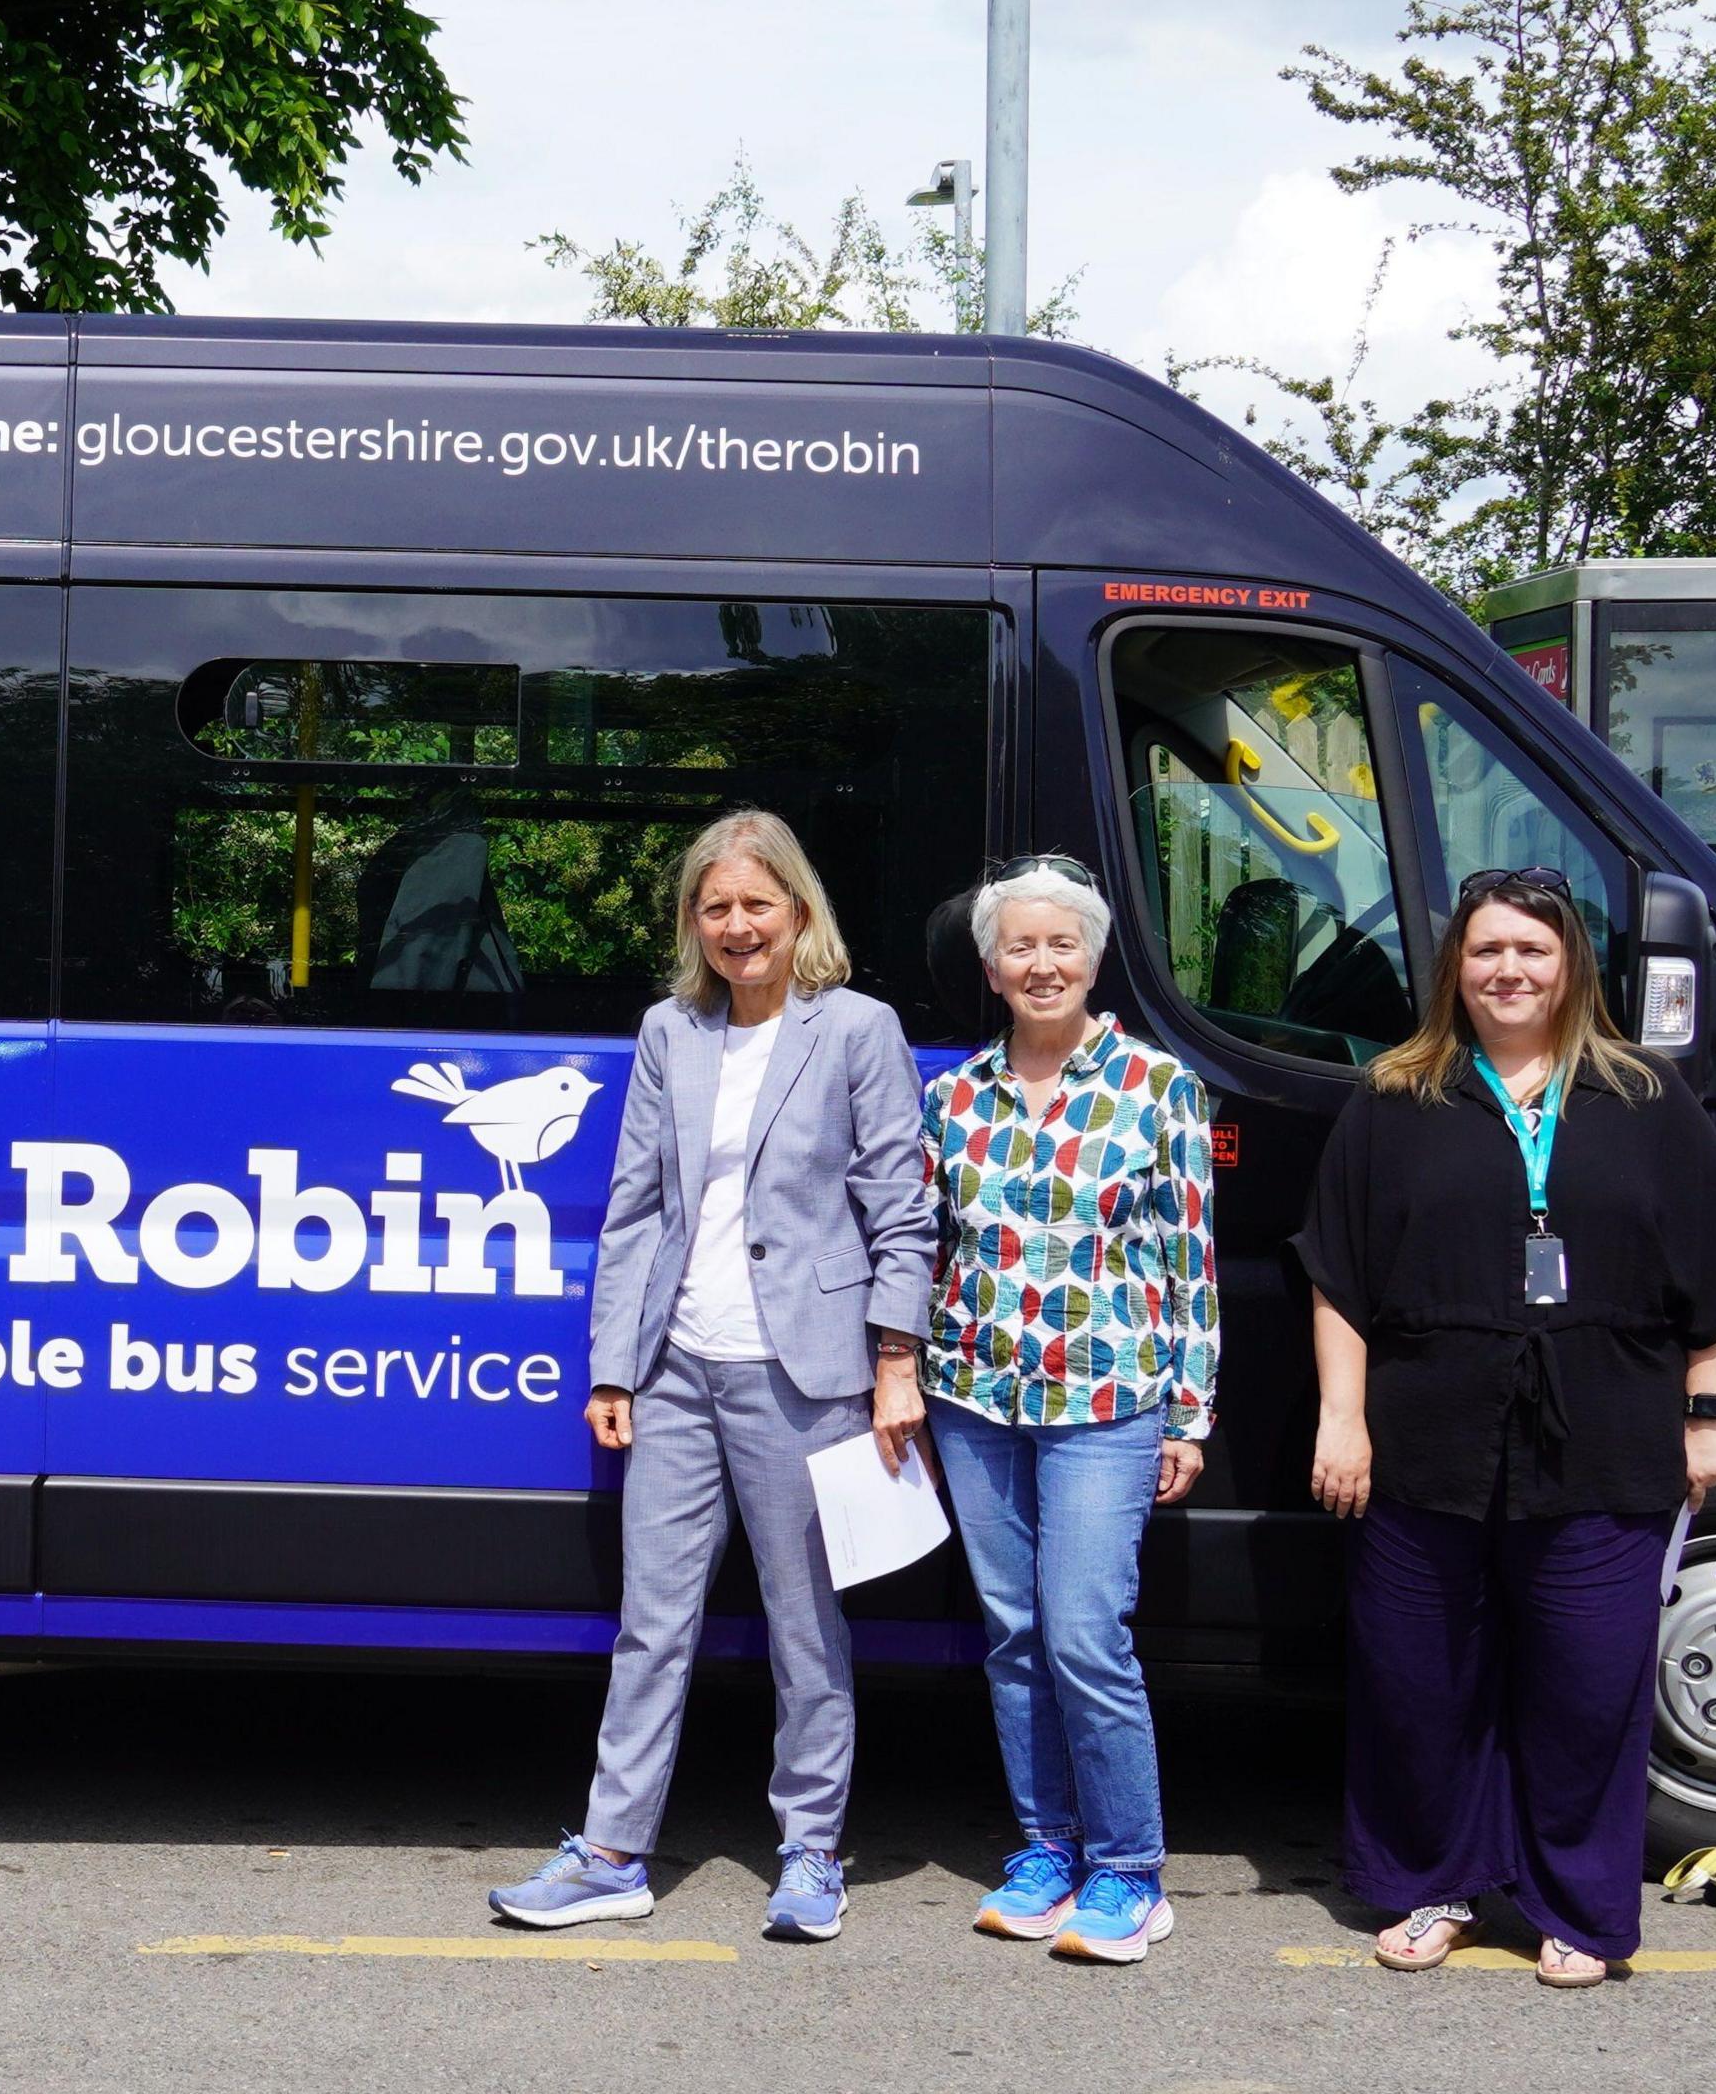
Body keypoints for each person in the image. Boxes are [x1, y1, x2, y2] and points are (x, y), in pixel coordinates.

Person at [1296, 866, 1716, 1990]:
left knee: (1587, 1684)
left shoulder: (1648, 1100)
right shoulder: (1393, 1098)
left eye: (1532, 950)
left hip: (1607, 1435)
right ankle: (1433, 1881)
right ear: (1455, 967)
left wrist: (1708, 1417)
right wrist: (1342, 1419)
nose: (1508, 970)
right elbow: (1337, 1279)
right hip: (1426, 1439)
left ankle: (1575, 1904)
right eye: (1486, 950)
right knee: (1420, 1680)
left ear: (1571, 969)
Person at [487, 809, 936, 1942]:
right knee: (652, 1620)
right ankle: (611, 1853)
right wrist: (616, 1365)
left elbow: (902, 1207)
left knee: (805, 1624)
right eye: (715, 905)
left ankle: (812, 1851)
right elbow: (636, 1206)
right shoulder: (669, 1032)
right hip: (680, 1368)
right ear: (695, 919)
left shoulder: (857, 1029)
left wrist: (895, 1361)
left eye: (757, 903)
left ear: (798, 910)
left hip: (809, 1371)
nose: (738, 926)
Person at [918, 856, 1217, 1965]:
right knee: (1014, 1632)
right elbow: (924, 1246)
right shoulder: (952, 1096)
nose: (1041, 964)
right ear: (991, 968)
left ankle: (1130, 1868)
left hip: (1108, 1398)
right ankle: (1048, 1846)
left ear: (1092, 957)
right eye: (1020, 947)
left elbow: (1190, 1262)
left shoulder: (1158, 1086)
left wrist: (1190, 1414)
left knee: (1088, 1632)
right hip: (975, 1394)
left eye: (1061, 945)